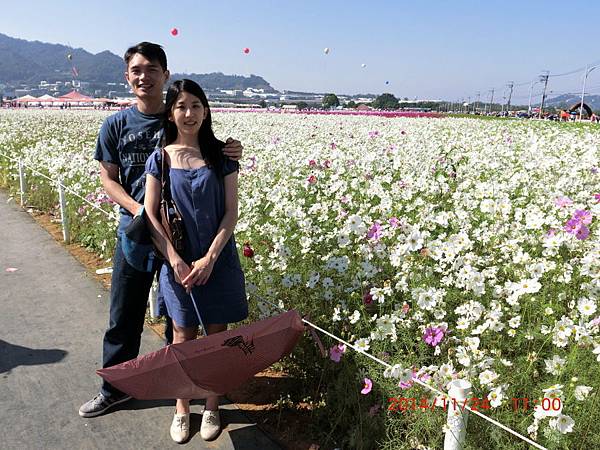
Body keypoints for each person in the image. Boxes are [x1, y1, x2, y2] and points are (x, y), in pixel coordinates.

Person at [78, 42, 243, 418]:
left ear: (165, 75)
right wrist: (142, 212)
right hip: (137, 235)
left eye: (152, 69)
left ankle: (186, 391)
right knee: (124, 316)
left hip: (188, 241)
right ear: (127, 76)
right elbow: (108, 179)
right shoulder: (116, 124)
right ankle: (114, 389)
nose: (144, 76)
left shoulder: (180, 116)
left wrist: (229, 147)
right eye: (137, 70)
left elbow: (212, 152)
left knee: (180, 321)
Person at [144, 79, 248, 443]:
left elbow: (231, 214)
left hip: (216, 260)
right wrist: (174, 258)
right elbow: (151, 214)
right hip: (178, 264)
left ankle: (212, 406)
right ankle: (182, 407)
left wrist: (209, 259)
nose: (189, 114)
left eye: (196, 106)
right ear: (171, 113)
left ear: (206, 111)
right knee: (182, 336)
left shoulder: (223, 156)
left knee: (215, 337)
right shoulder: (160, 157)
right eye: (181, 106)